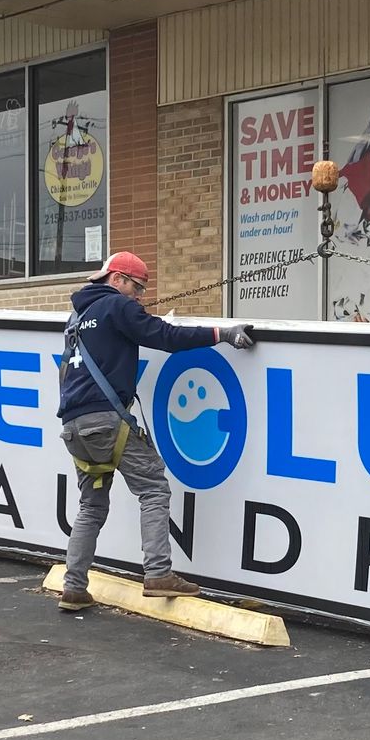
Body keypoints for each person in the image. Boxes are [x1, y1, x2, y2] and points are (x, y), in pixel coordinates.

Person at [55, 251, 254, 612]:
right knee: (153, 488)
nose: (139, 296)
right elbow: (165, 336)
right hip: (106, 421)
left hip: (74, 427)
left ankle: (73, 587)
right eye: (137, 287)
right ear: (117, 279)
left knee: (91, 506)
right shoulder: (116, 306)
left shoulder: (76, 318)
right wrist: (221, 334)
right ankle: (159, 573)